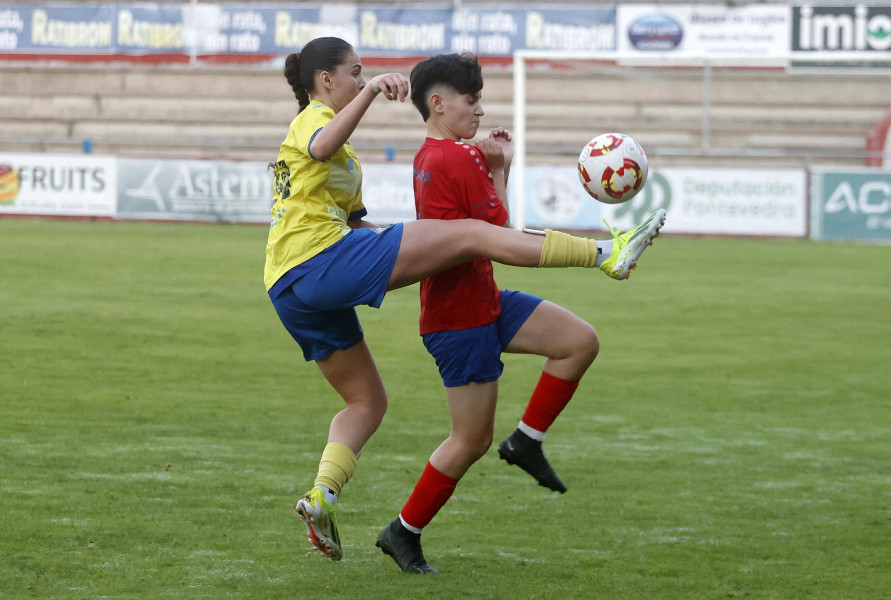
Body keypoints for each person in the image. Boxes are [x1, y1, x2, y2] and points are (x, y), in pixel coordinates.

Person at [265, 38, 665, 564]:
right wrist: (373, 95)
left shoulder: (352, 153)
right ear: (325, 80)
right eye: (356, 74)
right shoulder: (314, 118)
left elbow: (362, 220)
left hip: (292, 285)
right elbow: (320, 145)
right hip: (319, 261)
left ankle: (322, 495)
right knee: (473, 245)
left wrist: (421, 243)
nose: (362, 82)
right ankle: (604, 254)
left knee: (368, 403)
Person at [374, 53, 666, 574]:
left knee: (579, 341)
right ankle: (403, 531)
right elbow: (505, 237)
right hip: (458, 319)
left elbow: (495, 232)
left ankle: (526, 441)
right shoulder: (456, 159)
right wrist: (496, 168)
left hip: (482, 300)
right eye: (472, 100)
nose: (481, 110)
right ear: (437, 103)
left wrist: (493, 167)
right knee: (470, 441)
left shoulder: (431, 154)